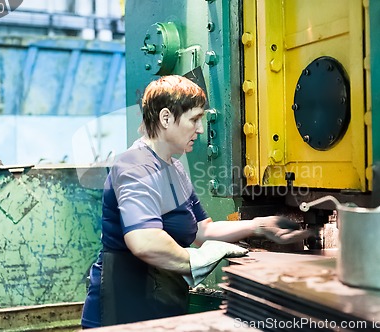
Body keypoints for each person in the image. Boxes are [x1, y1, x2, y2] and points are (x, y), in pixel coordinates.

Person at [81, 75, 311, 328]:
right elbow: (145, 242)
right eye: (194, 119)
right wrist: (198, 260)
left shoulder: (175, 169)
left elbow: (203, 230)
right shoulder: (135, 167)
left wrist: (257, 226)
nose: (200, 129)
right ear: (166, 118)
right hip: (124, 308)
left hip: (162, 302)